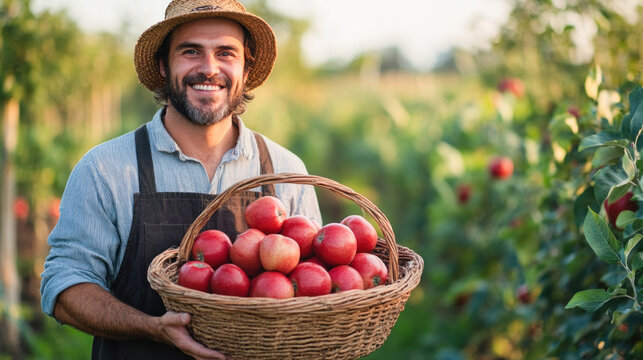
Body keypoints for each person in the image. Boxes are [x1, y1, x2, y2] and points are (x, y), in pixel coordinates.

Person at [39, 0, 321, 359]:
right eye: (191, 52)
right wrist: (152, 328)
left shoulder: (285, 170)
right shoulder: (105, 169)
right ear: (163, 64)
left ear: (246, 69)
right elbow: (65, 288)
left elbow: (316, 287)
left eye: (226, 53)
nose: (209, 68)